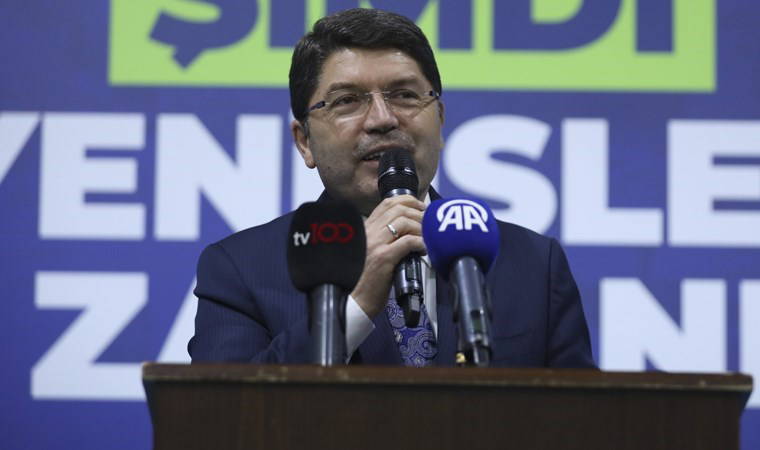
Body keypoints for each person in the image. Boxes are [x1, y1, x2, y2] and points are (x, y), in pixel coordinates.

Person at [189, 8, 595, 368]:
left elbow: (580, 415)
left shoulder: (533, 263)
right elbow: (223, 412)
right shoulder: (242, 268)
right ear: (305, 141)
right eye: (347, 100)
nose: (383, 119)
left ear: (440, 119)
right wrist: (355, 305)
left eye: (404, 95)